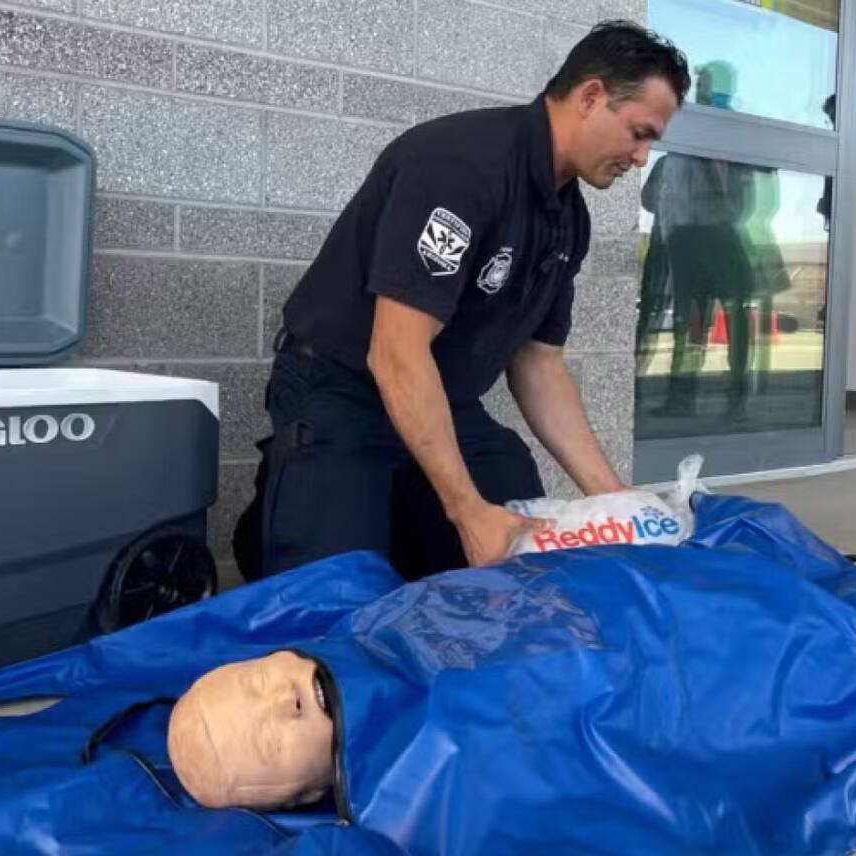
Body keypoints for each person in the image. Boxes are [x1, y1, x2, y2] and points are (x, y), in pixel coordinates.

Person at [233, 21, 692, 582]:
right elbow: (396, 353)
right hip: (343, 389)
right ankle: (290, 520)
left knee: (516, 515)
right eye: (639, 133)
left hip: (443, 398)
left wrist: (616, 499)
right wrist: (466, 511)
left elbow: (538, 363)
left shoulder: (568, 220)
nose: (642, 158)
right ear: (591, 96)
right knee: (336, 592)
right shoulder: (461, 166)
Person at [179, 503, 856, 810]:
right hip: (625, 672)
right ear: (295, 799)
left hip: (589, 604)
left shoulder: (370, 626)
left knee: (697, 585)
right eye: (268, 737)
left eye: (252, 682)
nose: (276, 699)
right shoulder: (425, 789)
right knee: (742, 667)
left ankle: (831, 589)